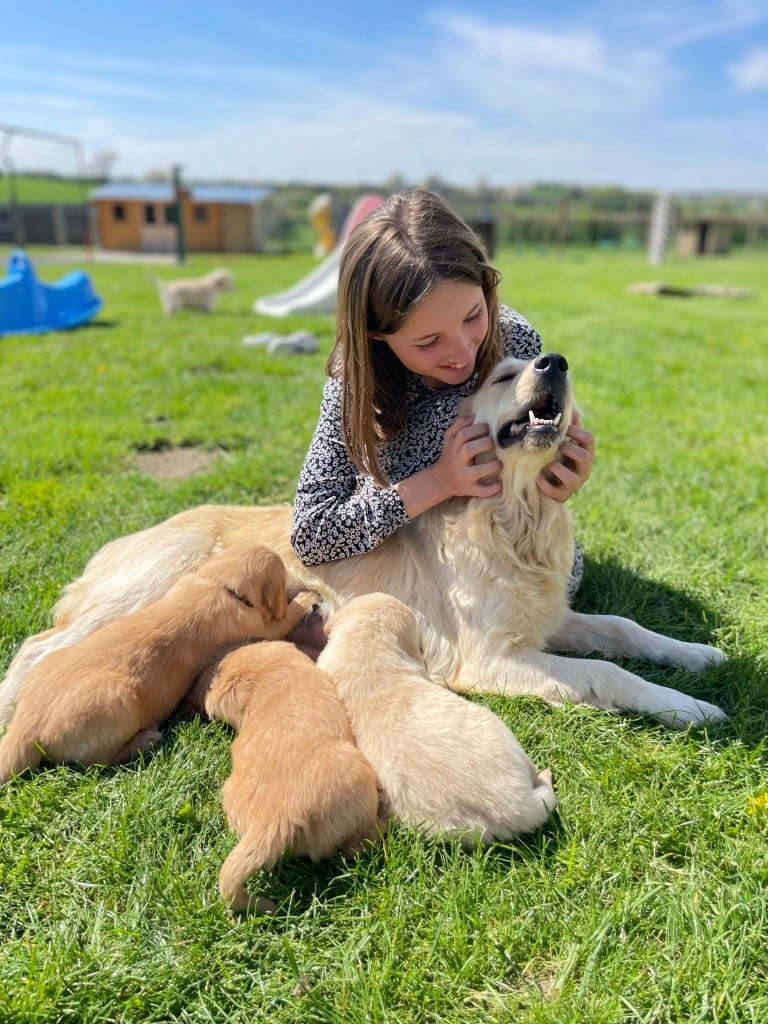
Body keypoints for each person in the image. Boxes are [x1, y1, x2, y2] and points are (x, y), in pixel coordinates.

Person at [290, 189, 594, 597]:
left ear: (486, 289)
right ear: (377, 337)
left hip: (502, 560)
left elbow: (527, 479)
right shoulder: (353, 380)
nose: (462, 352)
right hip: (402, 574)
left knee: (565, 583)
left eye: (474, 316)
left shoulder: (514, 339)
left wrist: (561, 475)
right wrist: (437, 481)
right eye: (429, 341)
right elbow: (312, 534)